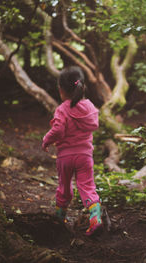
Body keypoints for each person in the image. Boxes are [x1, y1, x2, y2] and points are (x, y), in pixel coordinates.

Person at [42, 66, 102, 236]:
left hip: (65, 157)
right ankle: (96, 218)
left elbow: (58, 130)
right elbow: (95, 124)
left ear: (61, 90)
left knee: (64, 187)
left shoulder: (62, 109)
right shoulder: (90, 107)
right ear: (81, 87)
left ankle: (59, 220)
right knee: (87, 186)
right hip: (85, 156)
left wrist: (46, 140)